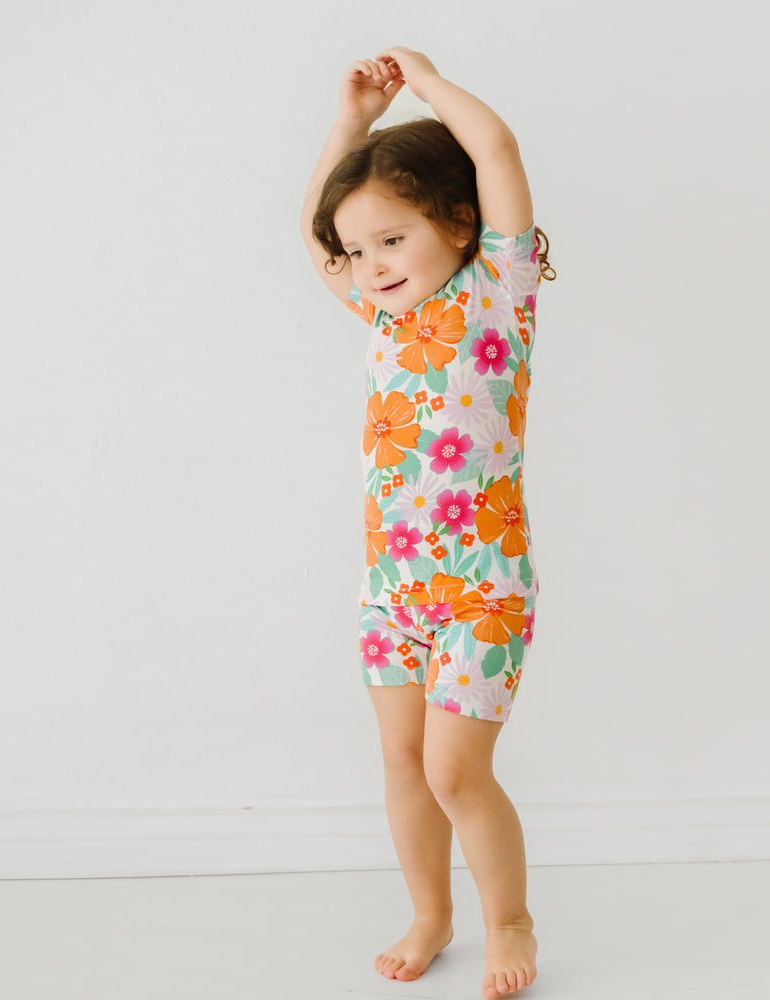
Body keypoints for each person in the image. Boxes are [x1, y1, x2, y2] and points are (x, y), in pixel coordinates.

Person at [300, 47, 554, 1000]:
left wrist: (425, 82)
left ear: (456, 221)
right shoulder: (385, 320)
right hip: (392, 592)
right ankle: (430, 912)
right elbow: (315, 230)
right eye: (360, 253)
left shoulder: (500, 292)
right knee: (403, 764)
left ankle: (510, 917)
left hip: (484, 588)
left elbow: (494, 145)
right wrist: (349, 123)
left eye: (391, 241)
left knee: (455, 772)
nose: (368, 267)